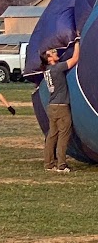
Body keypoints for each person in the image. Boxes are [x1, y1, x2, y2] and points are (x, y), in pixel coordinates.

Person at [40, 37, 81, 173]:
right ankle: (62, 165)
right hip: (61, 106)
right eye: (52, 52)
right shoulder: (57, 69)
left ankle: (49, 164)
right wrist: (77, 42)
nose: (55, 52)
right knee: (63, 135)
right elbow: (75, 59)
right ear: (49, 59)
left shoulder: (47, 71)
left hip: (52, 106)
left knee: (52, 135)